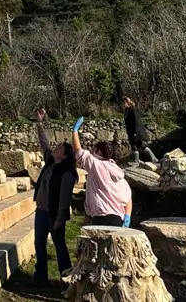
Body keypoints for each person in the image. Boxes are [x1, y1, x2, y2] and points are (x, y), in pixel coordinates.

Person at [32, 108, 78, 285]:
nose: (54, 148)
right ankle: (40, 277)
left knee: (59, 247)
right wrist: (39, 123)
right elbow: (44, 143)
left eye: (58, 148)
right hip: (41, 212)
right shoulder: (50, 162)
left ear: (64, 155)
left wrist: (60, 218)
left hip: (54, 215)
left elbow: (64, 198)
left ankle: (66, 277)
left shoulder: (66, 173)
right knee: (39, 245)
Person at [71, 116, 133, 227]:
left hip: (101, 218)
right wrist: (127, 217)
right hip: (118, 219)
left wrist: (74, 131)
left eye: (93, 150)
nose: (91, 152)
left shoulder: (97, 166)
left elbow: (79, 151)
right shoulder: (118, 172)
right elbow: (128, 198)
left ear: (98, 152)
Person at [123, 97, 157, 164]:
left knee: (134, 145)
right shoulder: (127, 111)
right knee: (141, 145)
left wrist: (135, 132)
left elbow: (137, 121)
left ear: (128, 102)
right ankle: (154, 159)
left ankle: (136, 161)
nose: (123, 105)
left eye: (124, 103)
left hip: (136, 132)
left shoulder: (133, 110)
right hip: (131, 132)